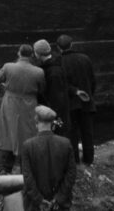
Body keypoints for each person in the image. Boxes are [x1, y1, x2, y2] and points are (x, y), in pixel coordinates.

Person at [0, 44, 46, 174]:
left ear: (19, 53)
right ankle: (26, 167)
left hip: (10, 103)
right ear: (32, 55)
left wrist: (7, 83)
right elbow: (42, 89)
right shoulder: (38, 71)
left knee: (7, 132)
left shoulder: (8, 66)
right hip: (29, 104)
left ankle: (4, 166)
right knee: (27, 133)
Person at [20, 105, 77, 211]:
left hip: (35, 206)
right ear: (52, 124)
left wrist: (40, 200)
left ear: (36, 123)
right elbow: (71, 174)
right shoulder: (66, 143)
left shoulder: (27, 146)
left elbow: (27, 178)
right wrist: (59, 198)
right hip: (60, 206)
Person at [56, 34, 96, 166]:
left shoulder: (59, 62)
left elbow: (61, 85)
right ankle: (89, 159)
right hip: (86, 101)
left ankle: (74, 160)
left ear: (58, 48)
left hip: (70, 104)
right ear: (72, 44)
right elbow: (92, 80)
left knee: (71, 132)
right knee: (87, 132)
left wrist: (73, 92)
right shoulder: (85, 59)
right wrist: (90, 94)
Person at [33, 39, 71, 138]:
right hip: (59, 113)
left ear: (38, 54)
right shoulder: (56, 66)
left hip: (54, 114)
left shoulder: (52, 72)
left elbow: (56, 97)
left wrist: (54, 117)